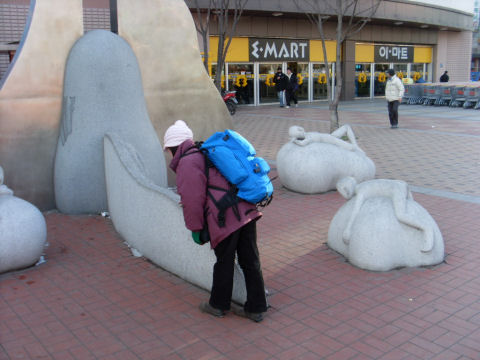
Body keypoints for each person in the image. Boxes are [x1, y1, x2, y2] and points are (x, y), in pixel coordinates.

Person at [163, 120, 268, 322]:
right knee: (250, 260)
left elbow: (193, 199)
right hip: (246, 209)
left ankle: (218, 305)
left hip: (226, 218)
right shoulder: (204, 151)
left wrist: (195, 228)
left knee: (224, 261)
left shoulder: (187, 161)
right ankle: (257, 307)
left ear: (173, 148)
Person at [336, 177, 434, 253]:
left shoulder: (361, 191)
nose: (344, 195)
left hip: (396, 188)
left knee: (401, 215)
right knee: (411, 210)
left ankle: (426, 229)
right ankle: (418, 229)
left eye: (344, 190)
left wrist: (348, 229)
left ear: (348, 187)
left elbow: (355, 211)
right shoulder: (363, 185)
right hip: (399, 184)